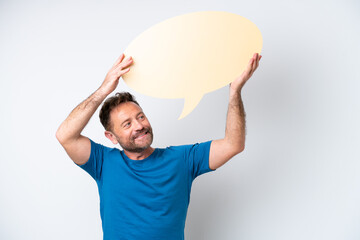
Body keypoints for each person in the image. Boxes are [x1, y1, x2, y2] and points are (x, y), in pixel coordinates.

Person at [56, 52, 262, 239]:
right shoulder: (102, 162)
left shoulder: (182, 159)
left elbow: (233, 144)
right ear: (111, 136)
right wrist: (103, 90)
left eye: (141, 117)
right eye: (127, 124)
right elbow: (65, 135)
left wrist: (235, 91)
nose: (139, 126)